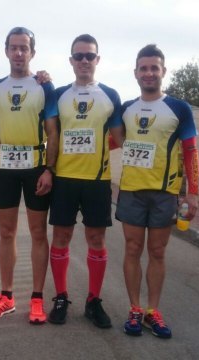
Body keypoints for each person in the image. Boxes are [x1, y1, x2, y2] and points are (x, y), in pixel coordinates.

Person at [115, 44, 199, 338]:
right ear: (136, 73)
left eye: (154, 68)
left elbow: (190, 151)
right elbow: (111, 142)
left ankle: (153, 311)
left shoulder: (179, 108)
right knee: (132, 249)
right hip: (131, 191)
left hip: (165, 193)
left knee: (157, 252)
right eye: (144, 68)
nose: (149, 73)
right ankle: (135, 309)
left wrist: (193, 193)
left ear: (163, 71)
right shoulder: (125, 109)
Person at [0, 27, 58, 324]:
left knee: (38, 233)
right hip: (6, 169)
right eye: (13, 47)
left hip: (36, 168)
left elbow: (53, 131)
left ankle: (37, 299)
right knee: (6, 232)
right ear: (6, 51)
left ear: (32, 52)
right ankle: (6, 296)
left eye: (24, 48)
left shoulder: (44, 86)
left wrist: (50, 169)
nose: (18, 53)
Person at [47, 34, 123, 328]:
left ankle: (93, 300)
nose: (83, 61)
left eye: (89, 56)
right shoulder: (59, 95)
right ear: (71, 61)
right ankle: (62, 297)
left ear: (97, 60)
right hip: (65, 179)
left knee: (96, 240)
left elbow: (119, 137)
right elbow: (50, 133)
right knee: (61, 239)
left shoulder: (110, 95)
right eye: (78, 56)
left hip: (97, 180)